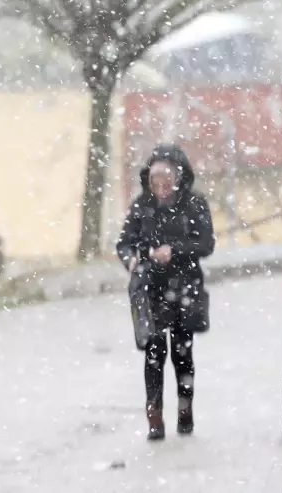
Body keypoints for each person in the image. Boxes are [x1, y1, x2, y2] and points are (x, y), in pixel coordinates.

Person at [116, 144, 216, 440]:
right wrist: (130, 258)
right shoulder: (141, 206)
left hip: (184, 286)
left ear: (178, 178)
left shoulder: (195, 205)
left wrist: (175, 250)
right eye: (155, 182)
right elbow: (124, 243)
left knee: (183, 353)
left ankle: (185, 411)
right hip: (152, 289)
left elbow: (206, 244)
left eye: (166, 181)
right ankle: (154, 416)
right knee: (153, 353)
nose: (160, 188)